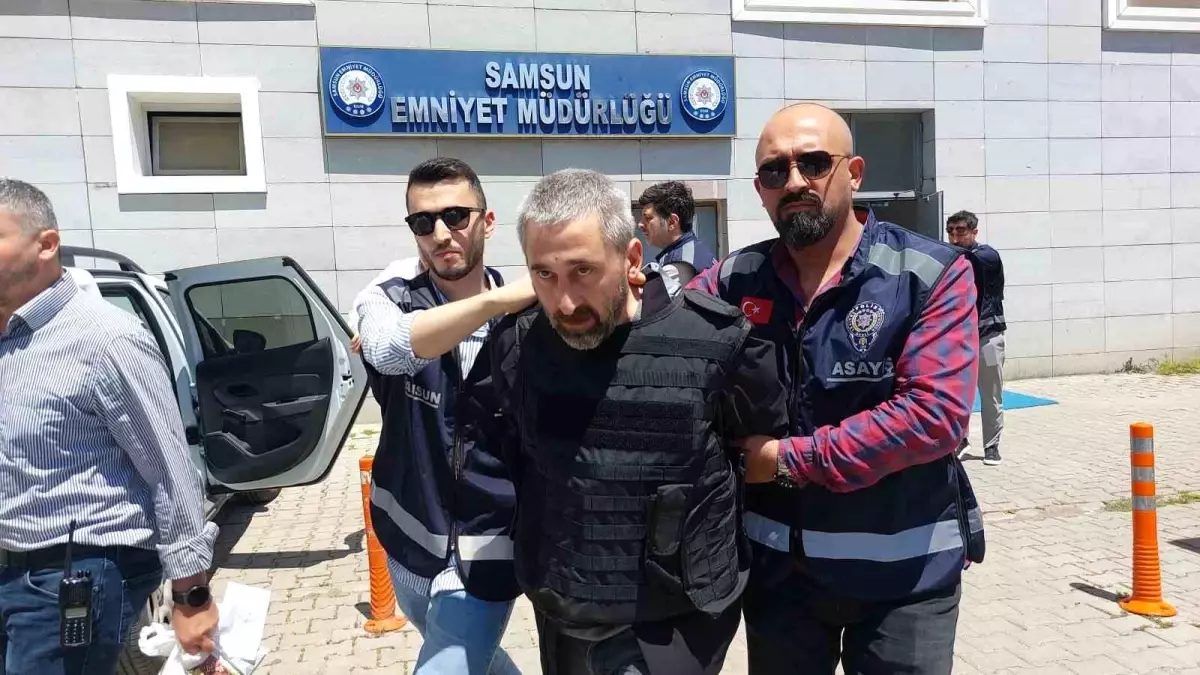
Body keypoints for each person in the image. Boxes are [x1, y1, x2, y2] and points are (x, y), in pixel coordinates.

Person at [688, 104, 987, 674]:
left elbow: (933, 417)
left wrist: (785, 461)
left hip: (906, 576)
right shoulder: (733, 281)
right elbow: (658, 329)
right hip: (780, 579)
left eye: (814, 163)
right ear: (760, 189)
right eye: (775, 170)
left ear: (854, 173)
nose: (794, 181)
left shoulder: (930, 274)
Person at [481, 169, 790, 674]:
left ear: (630, 259)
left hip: (677, 621)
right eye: (544, 275)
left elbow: (755, 447)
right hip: (564, 608)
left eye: (582, 270)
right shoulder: (517, 343)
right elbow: (516, 453)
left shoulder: (719, 341)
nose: (564, 301)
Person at [0, 179, 218, 673]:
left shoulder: (105, 339)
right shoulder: (8, 340)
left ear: (46, 244)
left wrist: (192, 595)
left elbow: (169, 470)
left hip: (72, 579)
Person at [353, 158, 535, 675]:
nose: (439, 234)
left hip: (488, 552)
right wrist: (496, 302)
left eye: (455, 216)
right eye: (422, 221)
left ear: (487, 222)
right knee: (473, 659)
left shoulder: (532, 319)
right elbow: (387, 350)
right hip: (407, 543)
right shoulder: (391, 297)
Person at [946, 210, 1006, 466]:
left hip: (988, 336)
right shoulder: (954, 258)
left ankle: (992, 446)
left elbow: (973, 260)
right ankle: (960, 440)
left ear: (974, 232)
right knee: (958, 393)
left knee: (991, 395)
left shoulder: (986, 256)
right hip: (960, 338)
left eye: (961, 231)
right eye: (951, 232)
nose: (955, 237)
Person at [636, 181, 717, 287]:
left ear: (672, 222)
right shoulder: (694, 251)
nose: (640, 224)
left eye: (648, 218)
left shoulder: (679, 266)